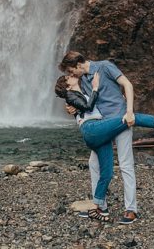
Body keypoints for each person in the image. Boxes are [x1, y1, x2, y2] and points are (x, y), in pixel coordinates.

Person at [54, 73, 154, 222]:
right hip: (93, 129)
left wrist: (116, 99)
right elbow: (88, 106)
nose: (71, 74)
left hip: (100, 131)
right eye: (68, 76)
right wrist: (95, 87)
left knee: (107, 173)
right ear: (67, 85)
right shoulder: (71, 96)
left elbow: (98, 103)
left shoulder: (80, 93)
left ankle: (99, 208)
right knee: (129, 118)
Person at [58, 50, 140, 224]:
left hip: (121, 119)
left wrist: (130, 111)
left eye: (71, 71)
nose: (71, 75)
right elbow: (83, 102)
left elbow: (128, 85)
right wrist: (71, 108)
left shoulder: (105, 66)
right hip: (102, 125)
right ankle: (100, 207)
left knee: (125, 164)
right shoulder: (83, 80)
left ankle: (131, 210)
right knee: (93, 163)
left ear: (78, 64)